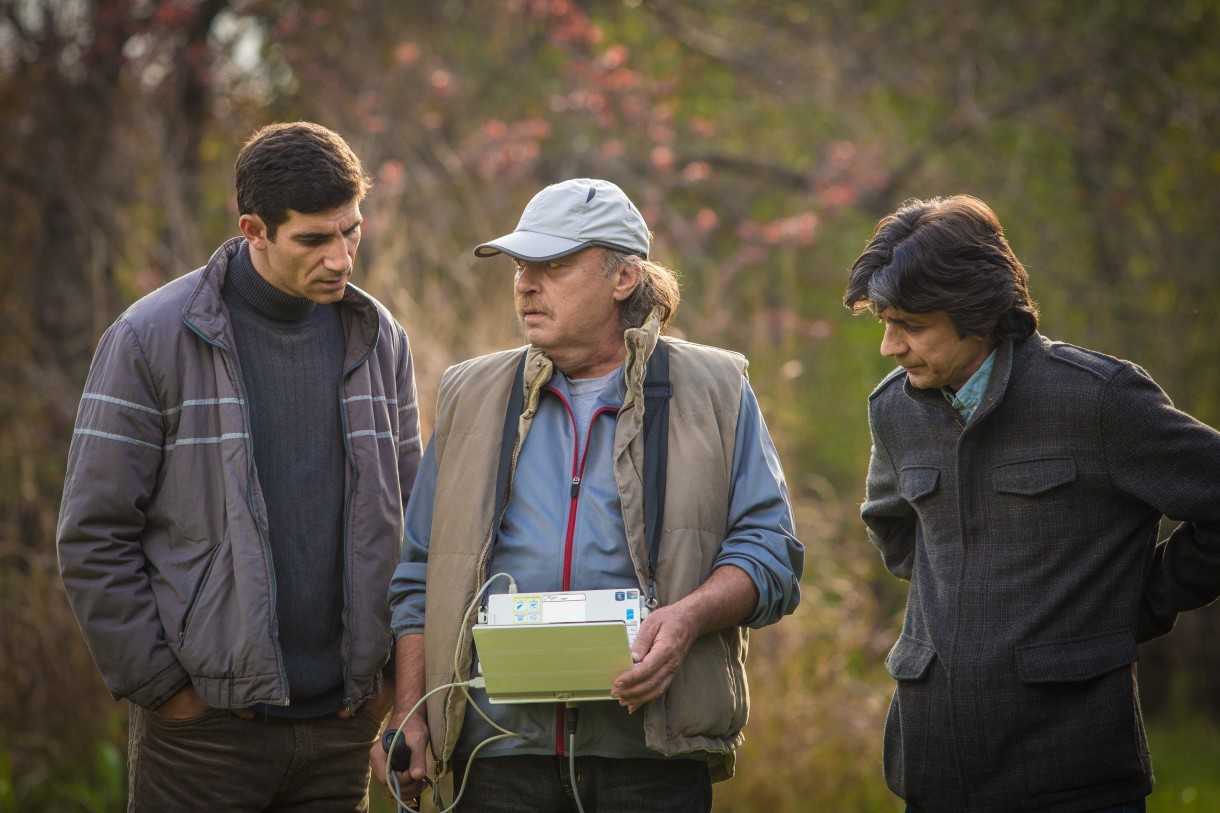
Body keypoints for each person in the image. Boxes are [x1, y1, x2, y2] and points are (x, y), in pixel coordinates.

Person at [376, 178, 804, 812]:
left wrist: (685, 620)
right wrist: (411, 710)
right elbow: (418, 575)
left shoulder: (716, 389)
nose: (525, 283)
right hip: (492, 756)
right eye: (522, 266)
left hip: (652, 756)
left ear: (624, 277)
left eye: (552, 265)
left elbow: (773, 556)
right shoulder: (469, 393)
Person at [56, 121, 421, 811]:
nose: (342, 258)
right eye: (315, 239)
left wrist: (384, 687)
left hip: (340, 728)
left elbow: (411, 523)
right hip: (206, 736)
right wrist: (168, 688)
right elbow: (92, 534)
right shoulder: (148, 339)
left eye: (352, 232)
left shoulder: (378, 338)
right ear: (254, 229)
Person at [844, 194, 1220, 813]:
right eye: (884, 323)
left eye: (910, 325)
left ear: (978, 313)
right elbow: (897, 533)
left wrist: (1134, 600)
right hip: (933, 765)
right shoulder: (893, 410)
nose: (890, 346)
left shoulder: (1099, 401)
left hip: (1072, 771)